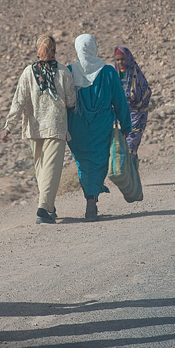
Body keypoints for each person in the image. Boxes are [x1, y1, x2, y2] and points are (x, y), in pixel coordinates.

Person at [1, 35, 75, 224]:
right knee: (51, 168)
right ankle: (43, 209)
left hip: (35, 129)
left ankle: (49, 206)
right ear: (54, 50)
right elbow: (70, 101)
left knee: (41, 168)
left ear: (38, 51)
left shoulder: (27, 72)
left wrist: (8, 126)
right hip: (55, 127)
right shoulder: (64, 72)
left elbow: (18, 101)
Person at [67, 34, 132, 220]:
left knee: (83, 163)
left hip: (77, 129)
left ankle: (89, 196)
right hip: (101, 128)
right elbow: (120, 100)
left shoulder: (70, 71)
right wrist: (126, 125)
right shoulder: (108, 72)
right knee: (98, 162)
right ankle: (92, 200)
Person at [114, 46, 152, 160]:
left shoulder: (136, 74)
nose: (120, 62)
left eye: (123, 59)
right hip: (120, 118)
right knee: (120, 148)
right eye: (118, 60)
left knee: (130, 148)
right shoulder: (115, 75)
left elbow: (146, 93)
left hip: (137, 116)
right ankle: (129, 175)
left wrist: (133, 102)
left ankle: (130, 175)